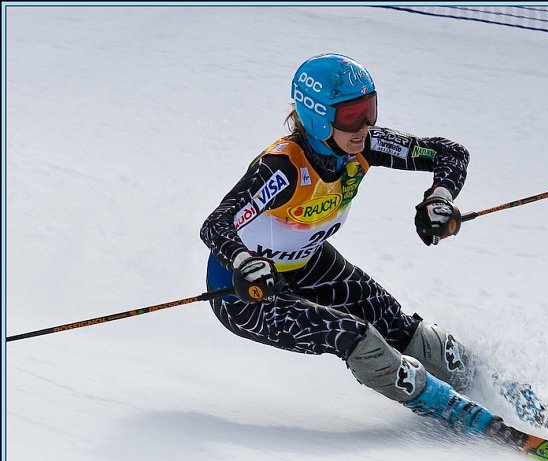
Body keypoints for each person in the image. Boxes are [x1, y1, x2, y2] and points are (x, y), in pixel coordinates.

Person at [200, 53, 505, 436]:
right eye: (350, 116)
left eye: (369, 110)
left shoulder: (365, 145)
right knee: (353, 335)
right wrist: (244, 262)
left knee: (397, 326)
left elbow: (449, 153)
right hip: (246, 294)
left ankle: (488, 387)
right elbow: (217, 223)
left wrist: (438, 199)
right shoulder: (283, 168)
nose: (364, 126)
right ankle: (456, 412)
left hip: (310, 264)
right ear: (317, 115)